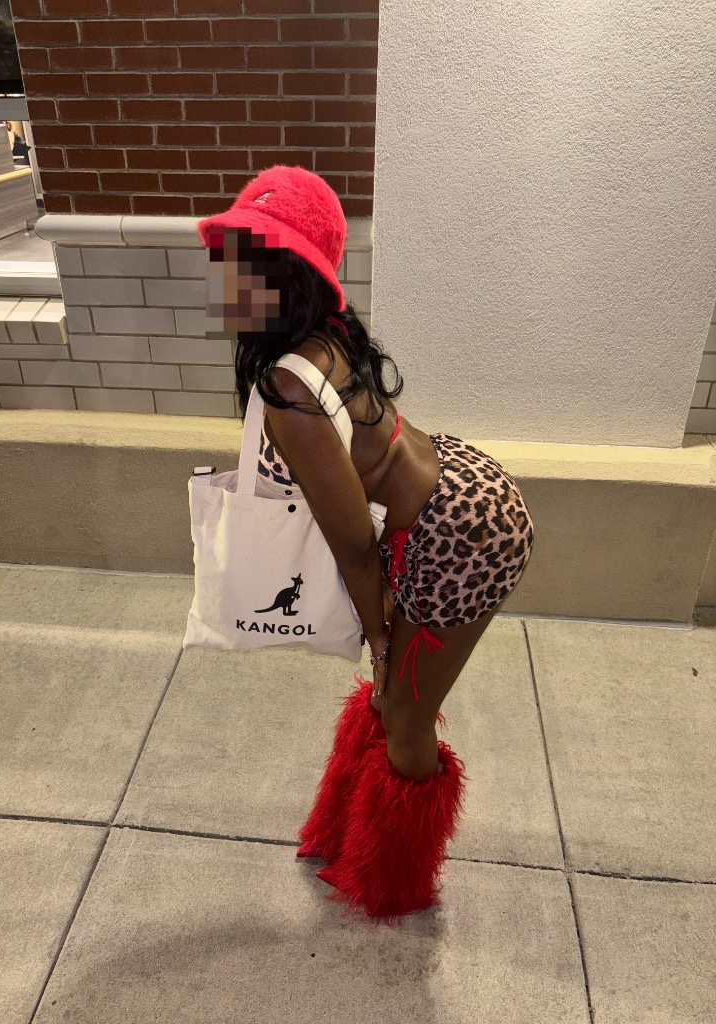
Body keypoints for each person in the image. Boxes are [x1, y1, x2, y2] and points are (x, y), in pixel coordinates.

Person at [198, 166, 534, 920]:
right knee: (388, 700)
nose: (223, 279)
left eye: (246, 264)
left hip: (462, 534)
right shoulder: (326, 336)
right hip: (454, 494)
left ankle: (394, 881)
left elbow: (353, 546)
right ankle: (348, 832)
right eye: (225, 257)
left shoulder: (290, 388)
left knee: (406, 715)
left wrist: (380, 640)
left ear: (291, 279)